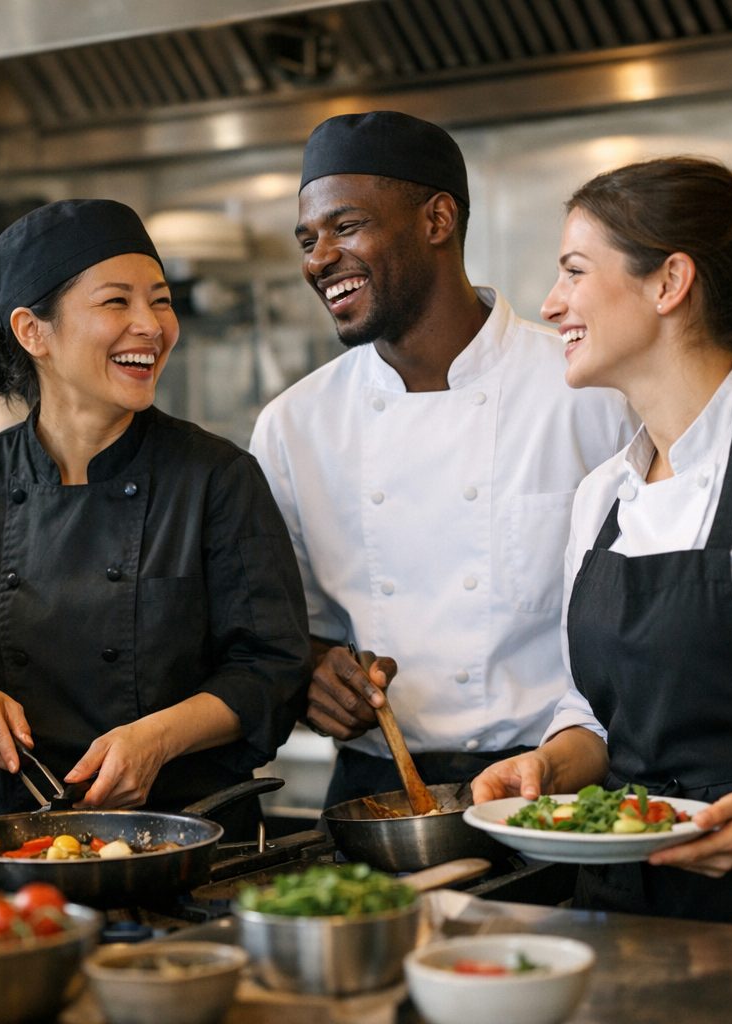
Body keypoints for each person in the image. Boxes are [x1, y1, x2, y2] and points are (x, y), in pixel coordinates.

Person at [249, 111, 635, 808]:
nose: (317, 259)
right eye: (307, 239)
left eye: (346, 226)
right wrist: (315, 675)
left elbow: (645, 619)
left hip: (557, 787)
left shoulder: (590, 392)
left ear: (437, 219)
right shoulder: (293, 427)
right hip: (376, 795)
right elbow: (284, 627)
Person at [0, 199, 310, 839]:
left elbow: (272, 668)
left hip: (188, 840)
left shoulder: (216, 478)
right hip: (16, 844)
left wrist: (158, 738)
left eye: (161, 300)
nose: (150, 326)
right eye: (116, 302)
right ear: (32, 331)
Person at [472, 157, 732, 924]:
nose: (551, 302)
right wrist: (550, 764)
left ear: (669, 283)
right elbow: (601, 715)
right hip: (623, 909)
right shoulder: (605, 493)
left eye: (573, 270)